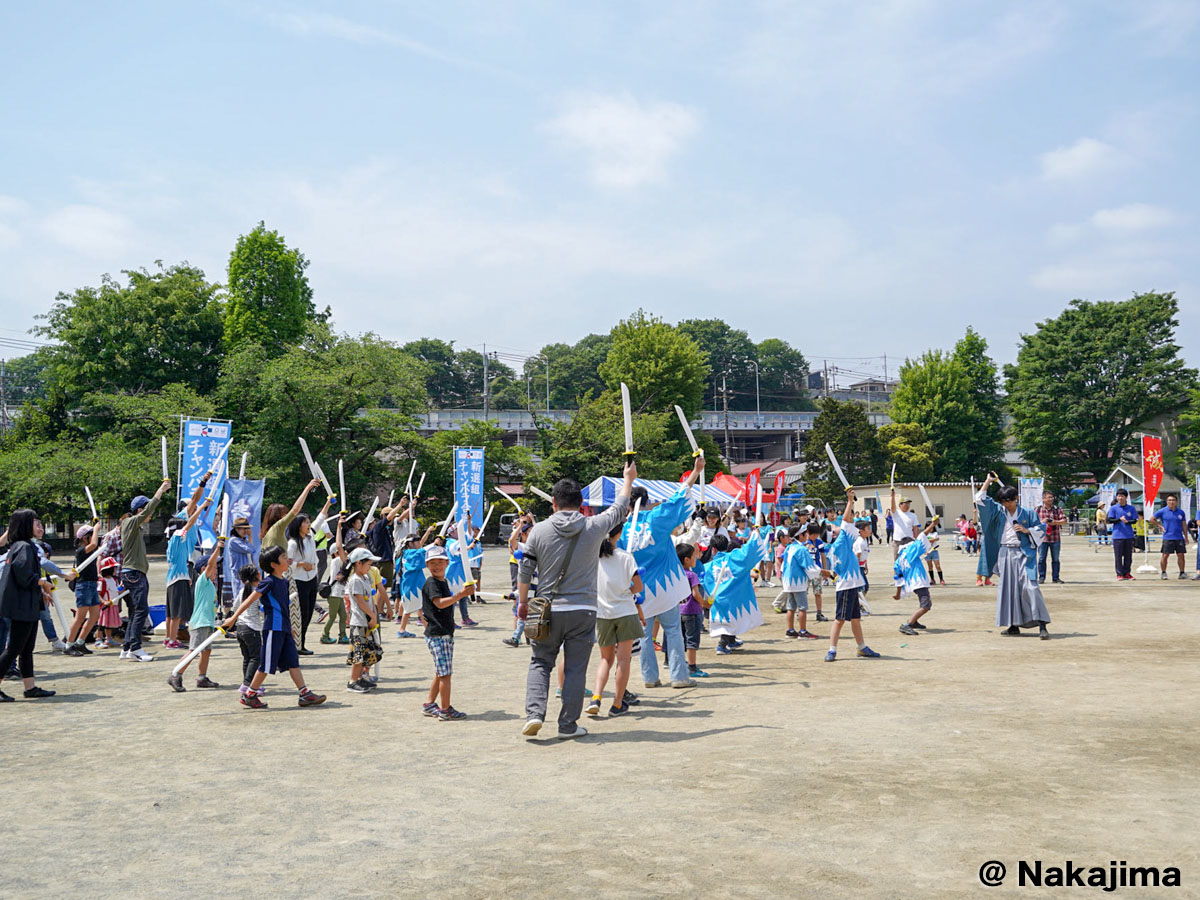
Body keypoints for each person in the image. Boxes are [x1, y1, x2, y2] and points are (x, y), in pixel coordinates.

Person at [517, 459, 634, 740]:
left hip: (546, 609)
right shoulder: (594, 526)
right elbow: (619, 509)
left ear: (553, 502)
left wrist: (522, 602)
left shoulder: (540, 530)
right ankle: (568, 725)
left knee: (540, 662)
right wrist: (628, 479)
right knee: (575, 667)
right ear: (581, 503)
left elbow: (525, 570)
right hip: (583, 609)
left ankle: (534, 714)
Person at [620, 457, 706, 691]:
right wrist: (695, 472)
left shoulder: (621, 530)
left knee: (645, 635)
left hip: (639, 589)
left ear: (628, 504)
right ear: (647, 503)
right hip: (666, 586)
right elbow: (678, 498)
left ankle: (650, 677)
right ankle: (678, 676)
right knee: (673, 631)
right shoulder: (656, 519)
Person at [221, 545, 326, 710]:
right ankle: (250, 694)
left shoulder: (283, 581)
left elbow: (284, 607)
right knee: (266, 665)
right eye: (283, 557)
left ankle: (304, 693)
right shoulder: (268, 582)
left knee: (293, 662)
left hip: (284, 629)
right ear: (273, 564)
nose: (287, 559)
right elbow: (249, 600)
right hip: (273, 629)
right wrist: (233, 618)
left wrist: (290, 626)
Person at [976, 472, 1051, 639]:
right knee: (1008, 589)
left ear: (1016, 498)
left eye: (1009, 501)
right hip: (1004, 552)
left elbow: (1041, 529)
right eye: (1003, 501)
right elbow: (980, 499)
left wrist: (1027, 530)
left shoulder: (1029, 513)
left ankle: (1042, 624)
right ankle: (1013, 625)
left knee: (1031, 587)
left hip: (1024, 553)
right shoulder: (997, 511)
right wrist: (988, 481)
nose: (1006, 504)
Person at [587, 524, 646, 717]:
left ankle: (596, 696)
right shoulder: (625, 557)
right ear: (619, 534)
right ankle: (618, 704)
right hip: (625, 611)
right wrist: (625, 591)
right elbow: (638, 586)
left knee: (605, 659)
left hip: (602, 613)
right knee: (623, 659)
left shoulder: (591, 556)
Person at [0, 509, 57, 701]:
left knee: (26, 648)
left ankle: (30, 687)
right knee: (14, 648)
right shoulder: (24, 547)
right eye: (34, 522)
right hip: (21, 605)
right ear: (25, 525)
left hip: (27, 603)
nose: (38, 524)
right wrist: (43, 583)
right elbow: (24, 575)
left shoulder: (20, 546)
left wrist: (40, 591)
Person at [823, 490, 880, 662]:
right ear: (832, 535)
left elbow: (846, 521)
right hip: (847, 585)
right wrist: (849, 501)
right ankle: (832, 650)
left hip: (851, 584)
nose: (837, 525)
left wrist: (850, 502)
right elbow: (847, 520)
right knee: (840, 619)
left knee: (855, 618)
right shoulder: (841, 542)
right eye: (833, 527)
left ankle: (861, 647)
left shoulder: (838, 544)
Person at [120, 478, 172, 662]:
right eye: (147, 511)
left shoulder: (135, 527)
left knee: (136, 611)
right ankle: (135, 647)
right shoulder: (131, 522)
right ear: (140, 510)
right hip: (134, 574)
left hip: (133, 573)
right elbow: (150, 508)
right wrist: (161, 489)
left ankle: (127, 647)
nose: (151, 515)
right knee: (141, 611)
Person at [420, 544, 472, 721]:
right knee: (445, 675)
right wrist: (461, 595)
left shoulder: (443, 581)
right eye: (432, 562)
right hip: (438, 635)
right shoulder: (432, 583)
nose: (436, 566)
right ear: (427, 565)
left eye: (440, 562)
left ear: (447, 562)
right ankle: (445, 709)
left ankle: (429, 704)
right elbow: (440, 603)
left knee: (440, 671)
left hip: (443, 633)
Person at [168, 537, 225, 691]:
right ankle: (176, 674)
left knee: (206, 650)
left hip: (207, 623)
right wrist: (217, 548)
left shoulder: (210, 584)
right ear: (204, 569)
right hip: (199, 622)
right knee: (194, 651)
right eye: (213, 568)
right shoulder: (202, 581)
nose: (216, 570)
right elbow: (211, 564)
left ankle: (202, 677)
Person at [163, 495, 211, 650]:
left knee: (171, 612)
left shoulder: (171, 542)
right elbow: (190, 523)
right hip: (178, 579)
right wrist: (203, 504)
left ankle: (168, 639)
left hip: (173, 579)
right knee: (177, 613)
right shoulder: (177, 539)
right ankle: (172, 640)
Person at [344, 546, 382, 694]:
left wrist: (373, 614)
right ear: (358, 563)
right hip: (358, 622)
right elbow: (360, 601)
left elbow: (370, 599)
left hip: (367, 621)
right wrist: (372, 615)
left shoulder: (366, 578)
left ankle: (360, 678)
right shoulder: (355, 580)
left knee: (365, 651)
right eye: (368, 564)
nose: (369, 567)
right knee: (358, 653)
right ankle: (353, 681)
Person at [287, 511, 325, 654]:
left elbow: (320, 520)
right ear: (298, 526)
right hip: (299, 581)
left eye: (309, 522)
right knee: (301, 613)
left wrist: (328, 504)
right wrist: (301, 564)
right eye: (306, 523)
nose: (309, 525)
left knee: (308, 614)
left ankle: (301, 643)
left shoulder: (310, 538)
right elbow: (288, 563)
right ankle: (297, 645)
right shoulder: (292, 543)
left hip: (311, 579)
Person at [63, 524, 102, 657]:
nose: (94, 537)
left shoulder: (90, 551)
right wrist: (96, 529)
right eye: (91, 535)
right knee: (80, 617)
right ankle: (69, 644)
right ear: (85, 538)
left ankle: (80, 641)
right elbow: (94, 545)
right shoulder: (80, 551)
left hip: (92, 585)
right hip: (83, 586)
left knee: (95, 616)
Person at [896, 521, 940, 636]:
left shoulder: (899, 559)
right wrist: (932, 524)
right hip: (919, 582)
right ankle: (908, 624)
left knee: (924, 603)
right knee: (926, 606)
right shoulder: (910, 551)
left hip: (912, 584)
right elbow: (921, 537)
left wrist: (898, 593)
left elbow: (898, 577)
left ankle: (914, 622)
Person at [778, 525, 821, 639]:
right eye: (805, 533)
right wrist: (820, 572)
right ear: (800, 535)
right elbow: (808, 566)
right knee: (802, 607)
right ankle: (802, 631)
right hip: (798, 581)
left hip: (788, 580)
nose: (806, 535)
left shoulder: (789, 547)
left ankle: (790, 630)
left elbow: (783, 566)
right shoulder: (801, 549)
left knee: (791, 606)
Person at [675, 543, 709, 679]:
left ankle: (680, 665)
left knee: (681, 639)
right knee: (692, 641)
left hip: (679, 611)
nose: (696, 558)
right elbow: (695, 594)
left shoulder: (675, 574)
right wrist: (704, 603)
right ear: (686, 560)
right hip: (692, 611)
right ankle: (692, 667)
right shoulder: (691, 575)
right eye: (694, 555)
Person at [1152, 493, 1189, 580]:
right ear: (1167, 501)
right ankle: (1164, 572)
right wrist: (1160, 526)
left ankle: (1182, 572)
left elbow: (1184, 525)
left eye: (1173, 500)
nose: (1171, 502)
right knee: (1165, 555)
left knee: (1181, 555)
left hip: (1179, 537)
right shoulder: (1162, 511)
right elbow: (1151, 519)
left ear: (1176, 502)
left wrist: (1186, 537)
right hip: (1168, 537)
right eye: (1169, 500)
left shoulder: (1181, 512)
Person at [1036, 490, 1067, 584]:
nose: (1050, 499)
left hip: (1055, 538)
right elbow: (1033, 522)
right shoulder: (1037, 510)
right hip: (1042, 539)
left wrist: (1055, 522)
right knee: (1041, 559)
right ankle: (1041, 577)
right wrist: (1043, 521)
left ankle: (1056, 578)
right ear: (1043, 498)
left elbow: (1064, 520)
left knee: (1056, 559)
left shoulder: (1057, 509)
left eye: (1052, 497)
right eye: (1048, 497)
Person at [1107, 489, 1139, 580]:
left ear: (1126, 497)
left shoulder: (1131, 508)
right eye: (1118, 496)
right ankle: (1119, 574)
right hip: (1117, 536)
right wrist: (1119, 519)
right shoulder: (1113, 508)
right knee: (1118, 556)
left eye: (1122, 496)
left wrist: (1127, 521)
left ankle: (1127, 573)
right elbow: (1109, 519)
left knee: (1128, 556)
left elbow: (1135, 520)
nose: (1120, 498)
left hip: (1128, 535)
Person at [94, 557, 123, 649]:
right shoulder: (101, 581)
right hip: (105, 606)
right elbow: (97, 593)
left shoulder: (114, 580)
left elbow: (116, 590)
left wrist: (122, 589)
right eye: (113, 568)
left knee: (109, 623)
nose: (115, 569)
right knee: (102, 624)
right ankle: (98, 639)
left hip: (113, 605)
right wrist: (103, 602)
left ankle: (108, 639)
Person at [889, 490, 919, 560]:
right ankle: (898, 571)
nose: (907, 505)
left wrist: (917, 540)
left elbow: (915, 528)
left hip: (909, 540)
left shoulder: (913, 515)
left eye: (908, 504)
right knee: (897, 560)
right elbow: (893, 507)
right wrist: (892, 497)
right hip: (898, 540)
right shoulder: (896, 513)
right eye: (905, 503)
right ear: (900, 505)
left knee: (909, 559)